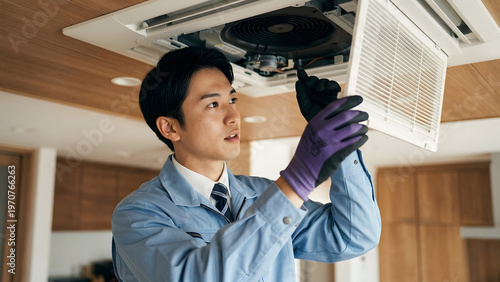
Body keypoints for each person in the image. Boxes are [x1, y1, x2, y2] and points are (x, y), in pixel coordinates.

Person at [111, 46, 381, 281]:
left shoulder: (264, 195)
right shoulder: (139, 215)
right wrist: (297, 180)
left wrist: (339, 140)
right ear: (169, 127)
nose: (233, 116)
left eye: (232, 99)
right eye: (213, 104)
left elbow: (354, 236)